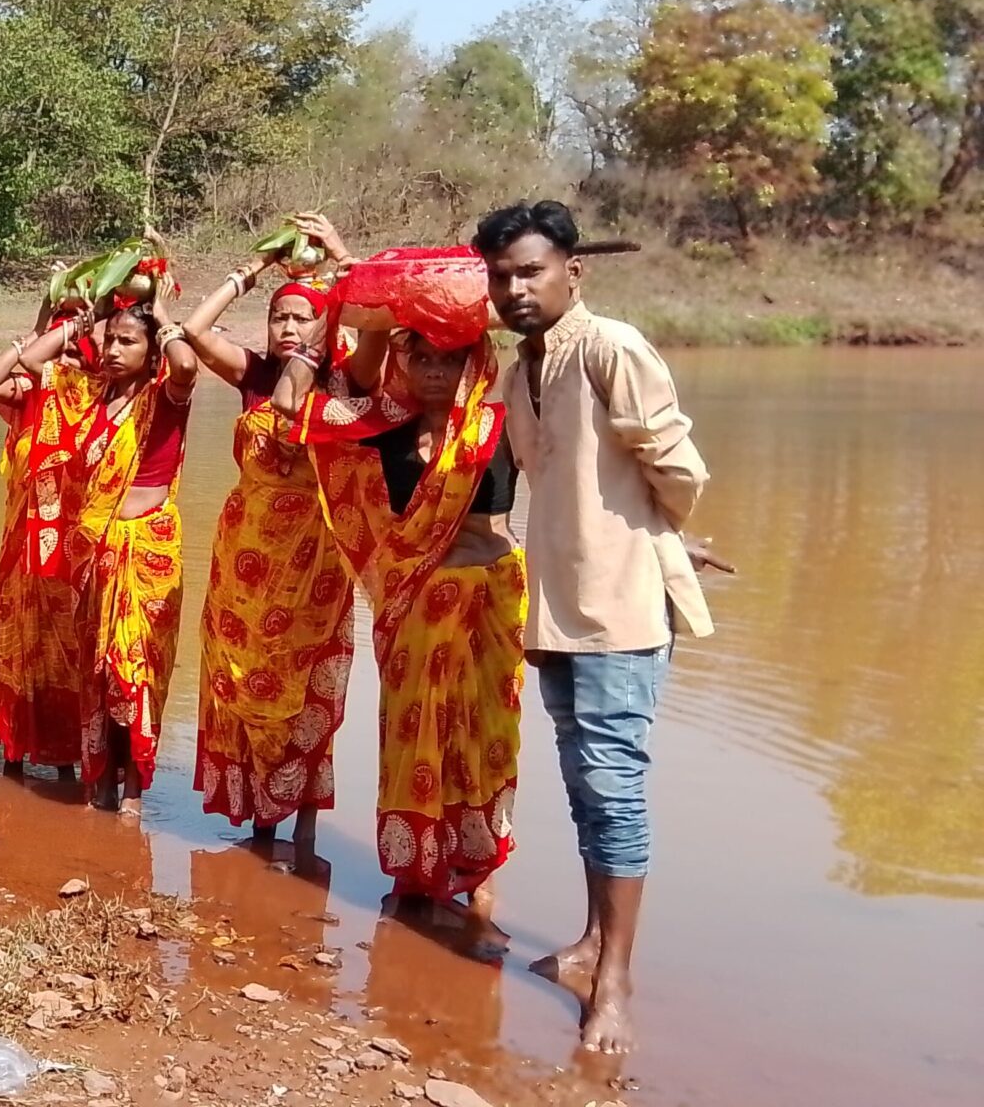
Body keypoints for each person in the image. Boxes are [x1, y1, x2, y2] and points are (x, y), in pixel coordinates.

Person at [477, 200, 725, 1056]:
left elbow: (677, 466)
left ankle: (615, 982)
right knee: (586, 787)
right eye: (501, 275)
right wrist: (643, 522)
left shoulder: (610, 348)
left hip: (619, 611)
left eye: (530, 272)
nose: (514, 289)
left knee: (614, 787)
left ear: (571, 272)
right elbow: (573, 480)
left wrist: (652, 537)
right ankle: (589, 944)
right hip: (552, 603)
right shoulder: (521, 370)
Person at [270, 247, 525, 929]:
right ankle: (418, 871)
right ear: (404, 361)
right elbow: (294, 405)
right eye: (424, 358)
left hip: (488, 601)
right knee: (415, 738)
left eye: (452, 359)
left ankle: (480, 875)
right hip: (414, 605)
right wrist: (359, 298)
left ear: (475, 362)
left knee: (484, 737)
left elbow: (566, 493)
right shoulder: (383, 427)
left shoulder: (499, 428)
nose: (437, 372)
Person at [171, 215, 361, 845]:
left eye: (301, 318)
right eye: (279, 317)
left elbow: (372, 324)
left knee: (303, 681)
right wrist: (250, 273)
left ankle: (301, 825)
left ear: (323, 324)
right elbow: (194, 330)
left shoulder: (343, 382)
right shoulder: (253, 377)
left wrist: (338, 263)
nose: (287, 327)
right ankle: (259, 820)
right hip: (244, 553)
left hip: (313, 561)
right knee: (241, 677)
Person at [0, 280, 198, 811]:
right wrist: (81, 320)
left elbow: (188, 368)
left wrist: (161, 314)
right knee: (96, 674)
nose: (114, 350)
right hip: (94, 557)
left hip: (145, 554)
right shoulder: (88, 398)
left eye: (129, 342)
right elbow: (23, 368)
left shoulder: (163, 398)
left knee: (134, 672)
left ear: (152, 354)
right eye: (111, 340)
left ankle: (134, 790)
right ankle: (100, 779)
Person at [0, 301, 100, 778]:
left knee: (69, 653)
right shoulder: (28, 400)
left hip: (70, 559)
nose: (63, 362)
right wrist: (45, 328)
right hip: (21, 557)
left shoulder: (97, 402)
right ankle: (14, 745)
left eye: (74, 353)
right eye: (59, 352)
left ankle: (66, 755)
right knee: (16, 644)